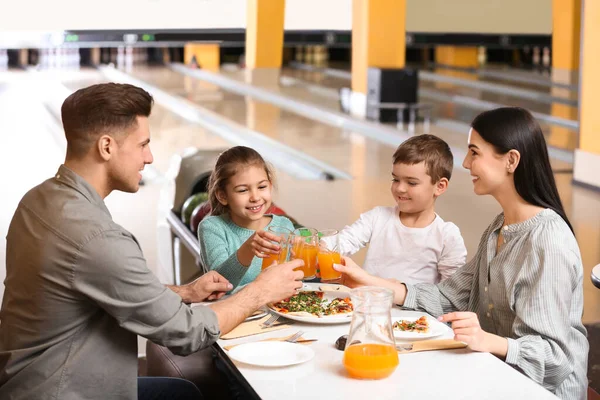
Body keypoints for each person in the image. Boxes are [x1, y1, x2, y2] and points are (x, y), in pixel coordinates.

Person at [0, 83, 304, 400]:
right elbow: (186, 332)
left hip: (32, 383)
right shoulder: (97, 238)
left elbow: (97, 290)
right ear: (106, 147)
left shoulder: (38, 201)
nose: (150, 157)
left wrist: (183, 292)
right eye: (143, 144)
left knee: (183, 394)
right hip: (65, 392)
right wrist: (262, 290)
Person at [334, 108, 588, 400]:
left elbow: (555, 359)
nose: (466, 163)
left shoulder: (548, 241)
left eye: (474, 153)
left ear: (511, 160)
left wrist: (489, 341)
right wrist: (369, 282)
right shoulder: (499, 227)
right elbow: (451, 297)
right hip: (495, 373)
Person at [324, 134, 466, 284]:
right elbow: (343, 241)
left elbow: (451, 293)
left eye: (411, 183)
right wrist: (319, 245)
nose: (400, 188)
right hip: (370, 304)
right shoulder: (378, 217)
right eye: (396, 179)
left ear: (439, 186)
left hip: (414, 307)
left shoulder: (446, 236)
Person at [198, 146, 295, 290]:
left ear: (270, 186)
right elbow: (219, 286)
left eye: (261, 187)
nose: (255, 197)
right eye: (243, 190)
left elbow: (295, 278)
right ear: (223, 196)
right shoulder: (212, 228)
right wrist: (247, 249)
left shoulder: (284, 225)